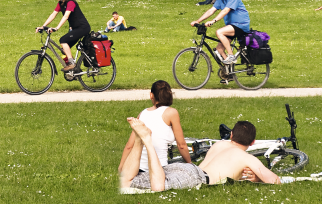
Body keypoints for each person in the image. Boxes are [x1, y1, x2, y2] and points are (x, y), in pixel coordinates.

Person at [119, 118, 280, 192]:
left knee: (126, 182)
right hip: (196, 177)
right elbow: (275, 180)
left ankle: (139, 141)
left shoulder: (220, 144)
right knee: (159, 187)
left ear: (231, 135)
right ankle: (146, 140)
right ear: (252, 143)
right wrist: (258, 178)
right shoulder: (247, 158)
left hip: (185, 167)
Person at [118, 80, 192, 179]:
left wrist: (121, 166)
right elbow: (181, 145)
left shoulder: (143, 113)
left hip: (138, 169)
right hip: (159, 169)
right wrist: (190, 164)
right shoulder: (171, 113)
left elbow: (129, 146)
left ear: (151, 95)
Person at [190, 0, 250, 67]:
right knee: (219, 50)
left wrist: (213, 21)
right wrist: (198, 20)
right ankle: (228, 72)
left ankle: (231, 56)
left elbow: (226, 10)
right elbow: (211, 10)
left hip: (241, 25)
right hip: (231, 26)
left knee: (219, 32)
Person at [37, 0, 91, 71]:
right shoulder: (61, 3)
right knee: (64, 49)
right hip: (75, 28)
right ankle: (74, 70)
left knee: (63, 40)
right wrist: (43, 26)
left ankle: (72, 64)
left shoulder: (71, 2)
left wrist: (57, 28)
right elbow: (53, 14)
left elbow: (65, 16)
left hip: (82, 28)